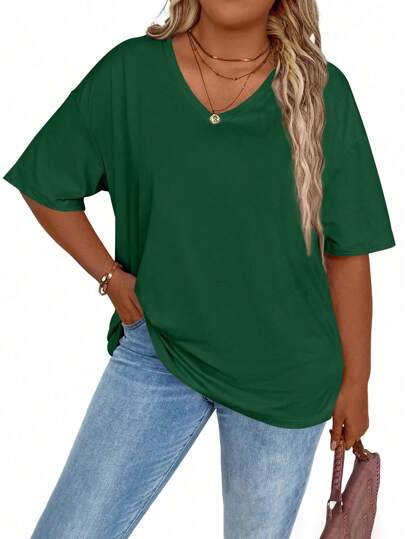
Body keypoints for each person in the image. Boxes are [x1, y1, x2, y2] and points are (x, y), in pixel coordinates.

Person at [2, 1, 396, 538]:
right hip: (161, 349)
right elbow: (47, 182)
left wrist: (357, 380)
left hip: (285, 374)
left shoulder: (321, 92)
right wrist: (110, 278)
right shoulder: (132, 73)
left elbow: (348, 251)